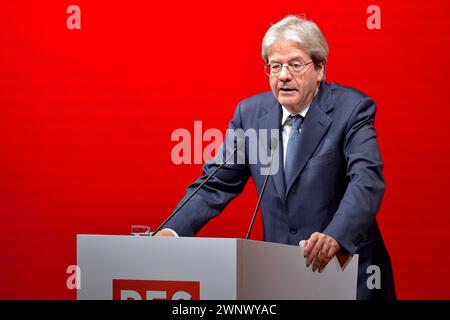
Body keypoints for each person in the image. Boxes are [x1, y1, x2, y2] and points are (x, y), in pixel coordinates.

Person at [155, 15, 396, 300]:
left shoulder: (352, 109)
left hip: (348, 274)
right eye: (275, 65)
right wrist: (171, 233)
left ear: (320, 69)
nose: (283, 75)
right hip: (281, 276)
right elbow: (214, 184)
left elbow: (366, 180)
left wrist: (335, 235)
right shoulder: (251, 114)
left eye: (295, 64)